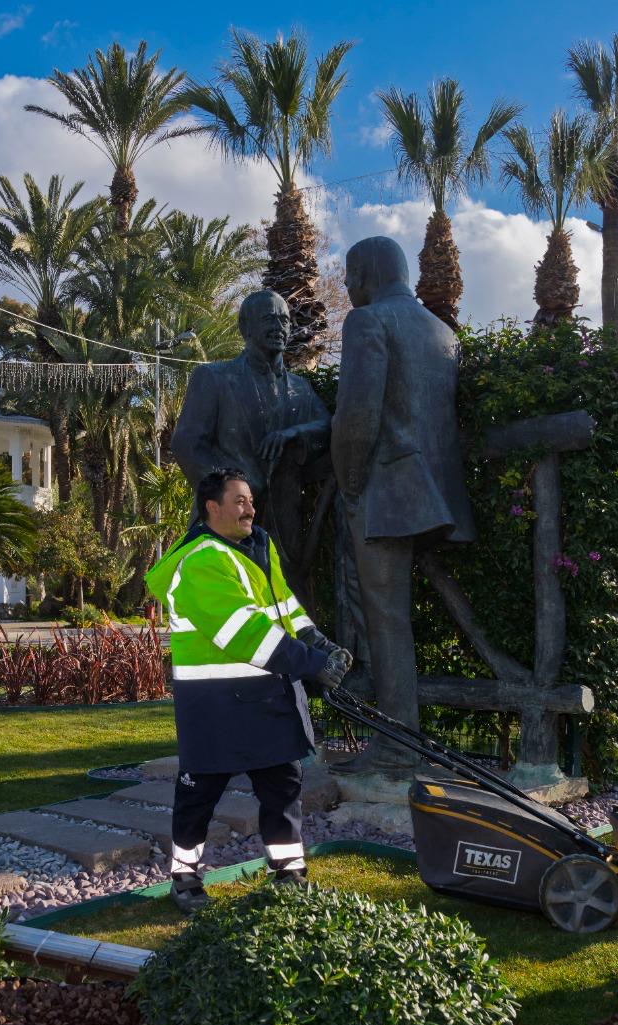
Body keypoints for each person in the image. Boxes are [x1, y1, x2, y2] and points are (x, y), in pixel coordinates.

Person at [143, 468, 352, 914]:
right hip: (215, 707)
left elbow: (283, 605)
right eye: (238, 501)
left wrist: (316, 641)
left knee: (283, 787)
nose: (249, 508)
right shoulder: (200, 561)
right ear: (211, 508)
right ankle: (184, 880)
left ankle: (290, 874)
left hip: (265, 698)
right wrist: (312, 664)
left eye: (251, 500)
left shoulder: (257, 547)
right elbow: (244, 632)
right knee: (198, 796)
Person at [331, 235, 476, 774]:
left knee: (386, 618)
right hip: (439, 495)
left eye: (348, 275)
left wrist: (349, 485)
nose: (346, 287)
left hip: (386, 493)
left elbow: (358, 417)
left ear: (368, 270)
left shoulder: (368, 322)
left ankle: (397, 745)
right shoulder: (443, 332)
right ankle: (403, 737)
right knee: (399, 618)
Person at [171, 289, 331, 598]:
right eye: (269, 318)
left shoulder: (300, 389)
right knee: (228, 617)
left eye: (284, 320)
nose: (279, 326)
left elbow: (326, 427)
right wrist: (233, 491)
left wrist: (293, 434)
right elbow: (188, 444)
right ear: (245, 328)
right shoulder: (214, 378)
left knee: (288, 619)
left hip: (284, 530)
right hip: (225, 527)